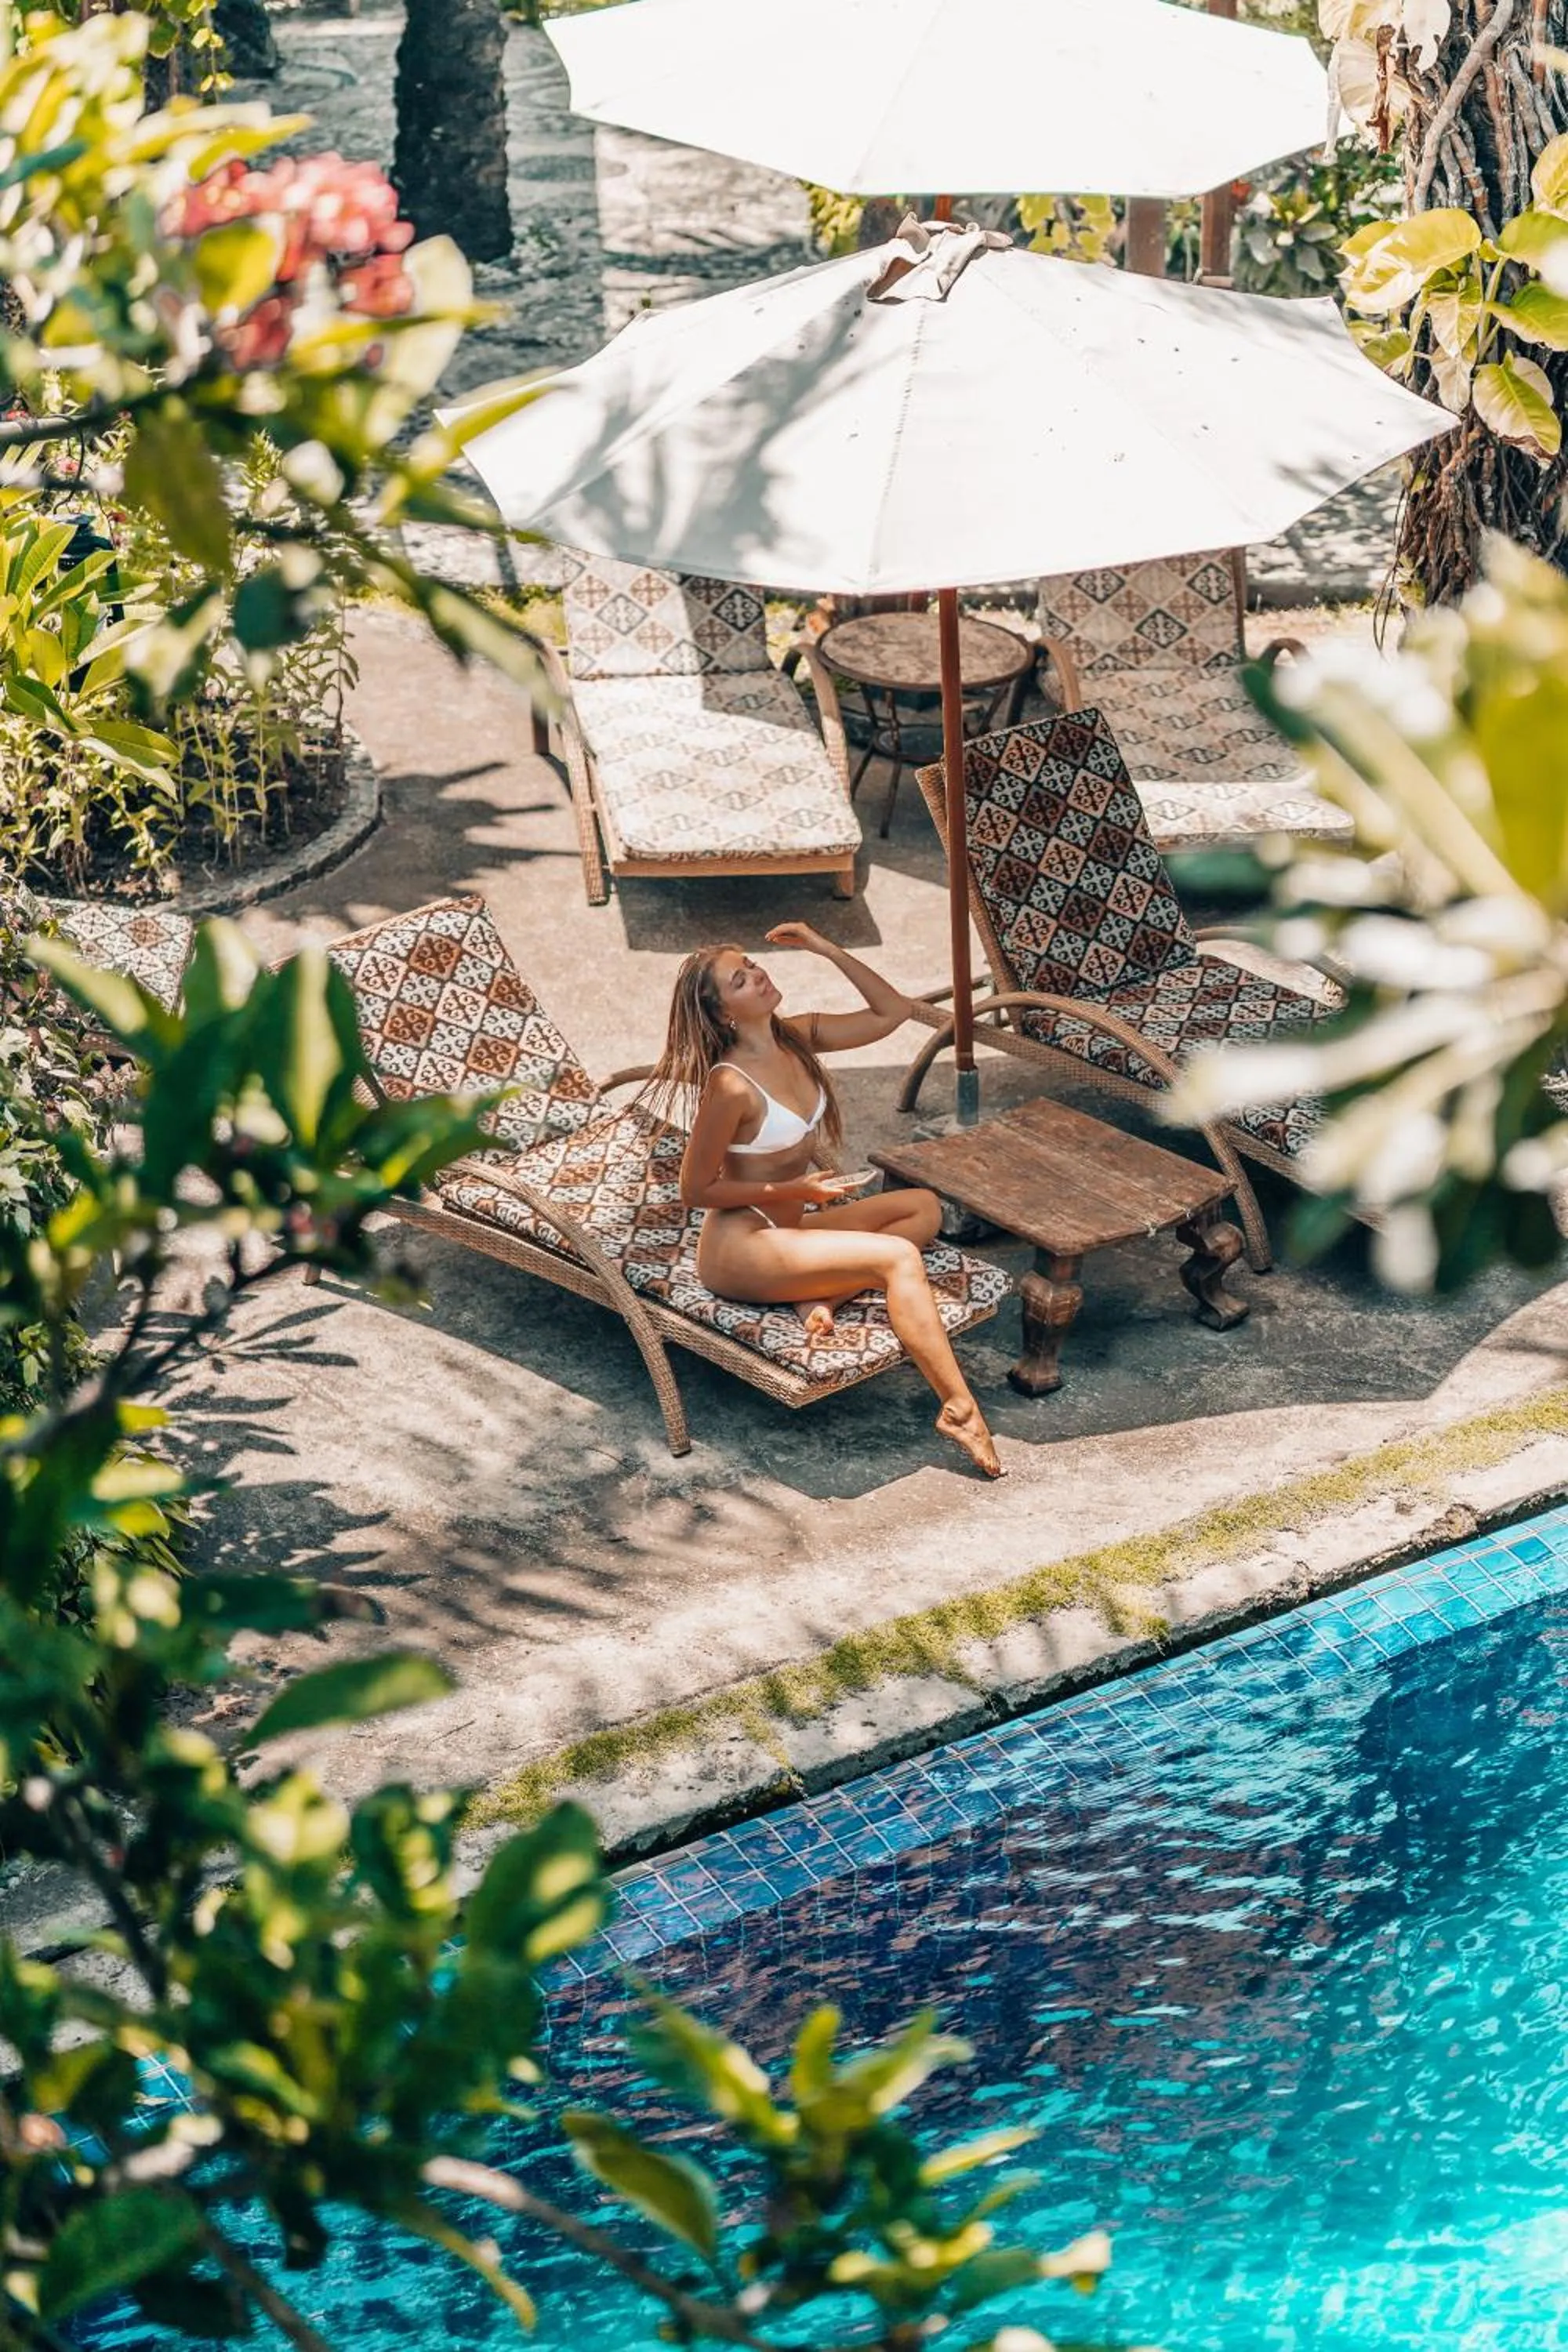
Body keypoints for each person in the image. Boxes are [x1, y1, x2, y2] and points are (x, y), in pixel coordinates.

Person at [649, 922, 1004, 1479]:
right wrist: (794, 1190)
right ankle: (959, 1409)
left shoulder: (797, 1037)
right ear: (724, 1014)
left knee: (923, 1207)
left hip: (793, 1233)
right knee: (897, 1259)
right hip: (742, 1249)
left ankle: (822, 1296)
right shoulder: (730, 1085)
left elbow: (893, 1012)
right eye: (740, 980)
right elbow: (694, 1191)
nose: (759, 975)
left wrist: (826, 948)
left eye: (754, 964)